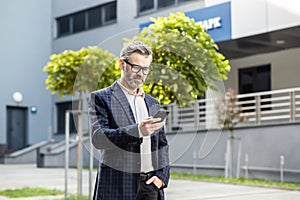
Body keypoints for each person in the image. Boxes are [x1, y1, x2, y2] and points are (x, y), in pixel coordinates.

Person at [88, 41, 170, 200]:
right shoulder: (101, 98)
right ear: (121, 64)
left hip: (151, 187)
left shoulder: (153, 103)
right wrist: (138, 131)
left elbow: (162, 144)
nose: (141, 74)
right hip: (117, 186)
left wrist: (161, 177)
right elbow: (99, 138)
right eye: (136, 67)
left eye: (146, 69)